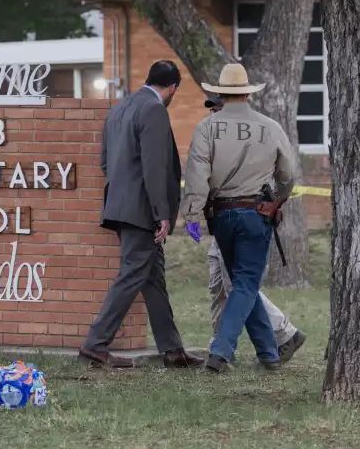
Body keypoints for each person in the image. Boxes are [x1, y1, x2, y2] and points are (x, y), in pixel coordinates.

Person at [79, 60, 203, 370]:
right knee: (132, 273)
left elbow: (106, 163)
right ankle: (95, 344)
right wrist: (161, 213)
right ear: (172, 88)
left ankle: (173, 350)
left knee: (153, 277)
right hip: (142, 210)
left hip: (120, 206)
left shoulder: (119, 109)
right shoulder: (153, 109)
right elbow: (154, 166)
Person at [183, 64, 297, 373]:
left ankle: (269, 354)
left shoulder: (207, 127)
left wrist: (192, 216)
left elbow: (196, 177)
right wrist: (275, 200)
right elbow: (288, 176)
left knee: (241, 283)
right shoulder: (270, 127)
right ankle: (220, 352)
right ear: (247, 92)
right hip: (256, 214)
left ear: (220, 92)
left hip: (220, 216)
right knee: (246, 283)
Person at [202, 96, 306, 362]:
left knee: (240, 284)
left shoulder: (257, 131)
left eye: (219, 105)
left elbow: (286, 174)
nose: (215, 110)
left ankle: (226, 346)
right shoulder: (214, 131)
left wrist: (275, 201)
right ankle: (269, 349)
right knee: (227, 283)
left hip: (242, 214)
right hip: (224, 216)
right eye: (214, 106)